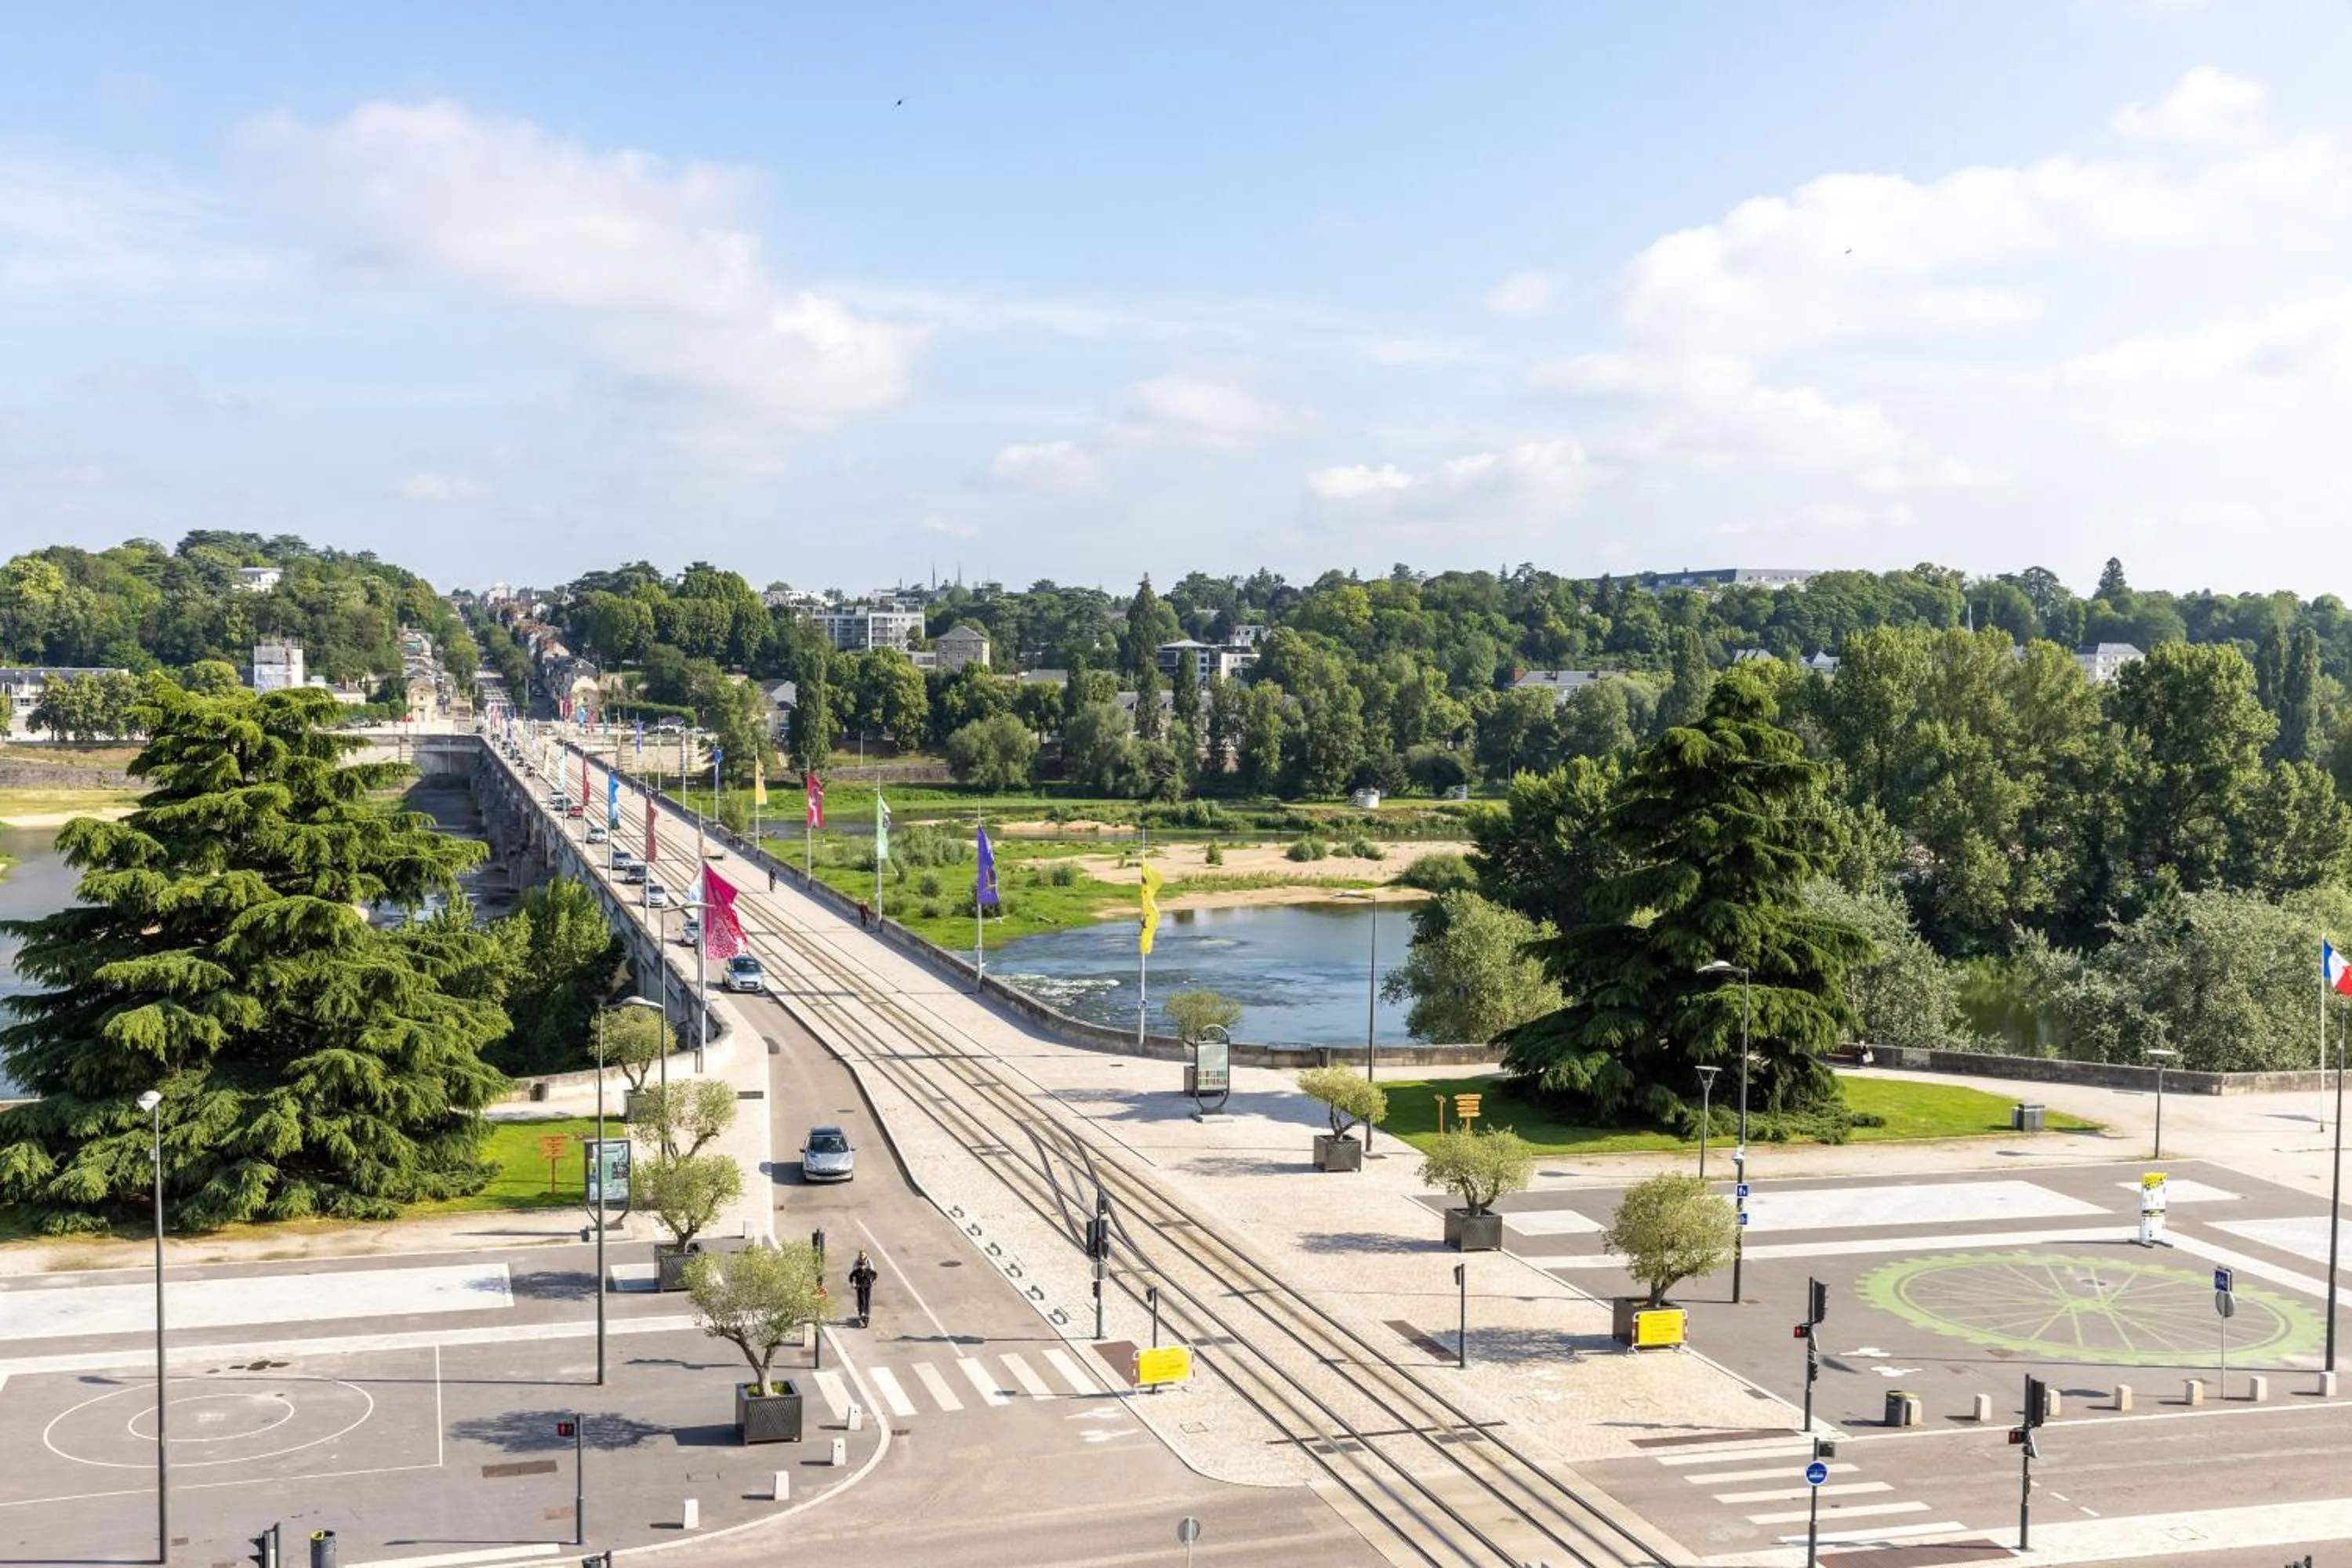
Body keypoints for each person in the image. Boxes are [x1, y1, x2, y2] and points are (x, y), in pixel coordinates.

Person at [850, 1250, 878, 1327]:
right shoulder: (856, 1267)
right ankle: (861, 1311)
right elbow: (852, 1275)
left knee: (867, 1299)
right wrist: (853, 1283)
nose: (862, 1267)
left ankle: (867, 1312)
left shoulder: (869, 1265)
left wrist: (872, 1281)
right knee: (861, 1298)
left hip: (867, 1286)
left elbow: (874, 1274)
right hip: (860, 1286)